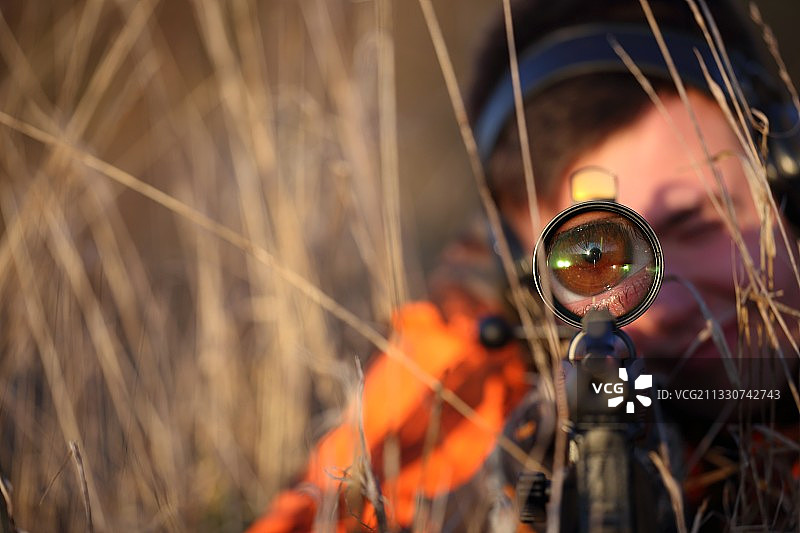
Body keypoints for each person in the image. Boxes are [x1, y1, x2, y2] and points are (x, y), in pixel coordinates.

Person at [248, 0, 800, 531]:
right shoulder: (501, 395)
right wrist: (493, 475)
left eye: (696, 224)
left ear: (786, 177)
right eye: (592, 267)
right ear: (526, 282)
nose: (670, 305)